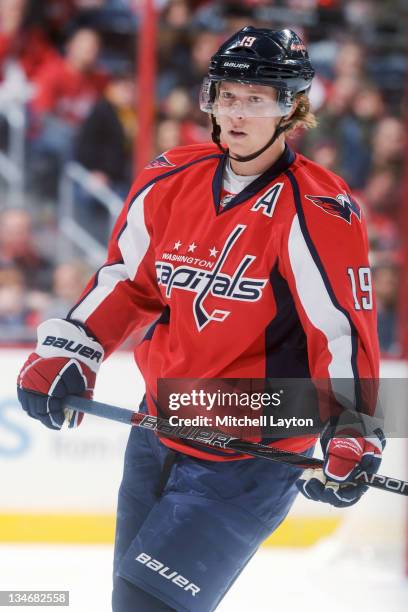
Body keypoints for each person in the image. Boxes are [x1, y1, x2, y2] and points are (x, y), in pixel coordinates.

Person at [16, 27, 385, 612]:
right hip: (159, 425)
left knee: (149, 606)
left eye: (257, 99)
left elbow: (339, 331)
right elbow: (127, 281)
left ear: (291, 108)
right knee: (129, 603)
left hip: (250, 449)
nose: (237, 113)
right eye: (228, 95)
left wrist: (354, 423)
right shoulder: (170, 176)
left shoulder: (317, 207)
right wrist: (75, 347)